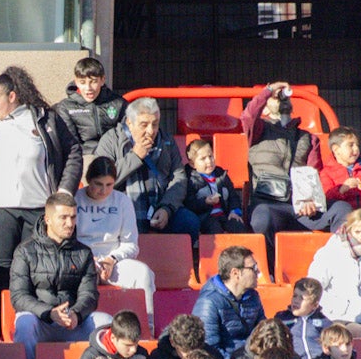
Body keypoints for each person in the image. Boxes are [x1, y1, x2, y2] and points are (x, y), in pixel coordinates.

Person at [0, 67, 82, 290]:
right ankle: (2, 319)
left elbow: (73, 152)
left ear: (12, 96)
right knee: (1, 270)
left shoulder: (45, 118)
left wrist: (65, 191)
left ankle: (32, 319)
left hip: (38, 208)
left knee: (36, 267)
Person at [10, 192, 111, 359]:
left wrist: (77, 314)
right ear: (47, 219)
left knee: (106, 323)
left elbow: (90, 295)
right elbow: (19, 297)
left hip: (72, 322)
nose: (69, 223)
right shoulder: (25, 251)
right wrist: (48, 313)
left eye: (73, 217)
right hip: (41, 321)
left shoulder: (83, 252)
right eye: (63, 217)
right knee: (24, 323)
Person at [241, 81, 351, 255]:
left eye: (284, 98)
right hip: (269, 205)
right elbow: (248, 116)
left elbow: (314, 172)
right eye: (275, 99)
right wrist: (269, 91)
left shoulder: (308, 138)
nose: (281, 99)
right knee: (261, 219)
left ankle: (339, 260)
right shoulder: (258, 131)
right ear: (265, 110)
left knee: (342, 209)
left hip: (301, 207)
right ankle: (269, 272)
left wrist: (311, 199)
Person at [92, 97, 193, 237]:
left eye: (155, 124)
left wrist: (167, 208)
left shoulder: (167, 140)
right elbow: (100, 180)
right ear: (129, 122)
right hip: (121, 208)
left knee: (189, 221)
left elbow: (179, 178)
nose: (151, 131)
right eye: (144, 125)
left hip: (160, 205)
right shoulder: (111, 140)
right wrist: (135, 156)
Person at [75, 157, 156, 298]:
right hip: (82, 261)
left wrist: (112, 259)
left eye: (109, 184)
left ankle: (148, 320)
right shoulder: (75, 199)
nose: (104, 190)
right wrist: (88, 260)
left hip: (113, 261)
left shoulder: (122, 201)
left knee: (144, 274)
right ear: (88, 180)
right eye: (98, 184)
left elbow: (130, 244)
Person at [307, 208, 361, 338]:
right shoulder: (331, 251)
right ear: (349, 229)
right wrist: (333, 306)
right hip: (338, 314)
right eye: (357, 232)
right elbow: (315, 285)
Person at [191, 245, 264, 359]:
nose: (258, 272)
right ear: (236, 273)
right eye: (253, 268)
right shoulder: (209, 302)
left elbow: (262, 332)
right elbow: (209, 348)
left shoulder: (253, 296)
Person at [311, 126, 361, 226]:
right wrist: (341, 190)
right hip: (344, 218)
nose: (356, 149)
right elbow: (326, 197)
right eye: (350, 145)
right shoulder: (326, 172)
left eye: (357, 145)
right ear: (336, 149)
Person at [53, 57, 127, 155]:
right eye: (82, 82)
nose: (88, 88)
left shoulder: (118, 103)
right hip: (84, 157)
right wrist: (96, 153)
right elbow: (70, 144)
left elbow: (127, 136)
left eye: (93, 82)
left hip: (114, 155)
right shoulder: (66, 107)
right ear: (76, 82)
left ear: (102, 80)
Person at [177, 138, 248, 234]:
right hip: (205, 217)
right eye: (203, 159)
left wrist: (234, 211)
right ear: (192, 164)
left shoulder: (221, 174)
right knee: (214, 229)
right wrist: (205, 202)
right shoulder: (190, 179)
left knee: (238, 226)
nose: (209, 161)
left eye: (210, 156)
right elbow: (189, 203)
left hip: (225, 214)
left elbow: (233, 196)